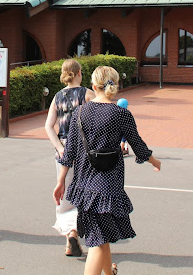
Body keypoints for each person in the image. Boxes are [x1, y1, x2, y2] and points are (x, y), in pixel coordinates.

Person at [54, 66, 161, 275]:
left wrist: (60, 181)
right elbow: (138, 147)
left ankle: (110, 273)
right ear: (115, 86)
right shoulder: (121, 114)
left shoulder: (80, 112)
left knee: (99, 237)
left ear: (94, 86)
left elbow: (70, 151)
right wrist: (155, 162)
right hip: (109, 187)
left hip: (84, 186)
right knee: (97, 241)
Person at [45, 59, 94, 257]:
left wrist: (59, 146)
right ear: (79, 73)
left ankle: (69, 237)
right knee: (86, 193)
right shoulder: (87, 94)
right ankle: (88, 238)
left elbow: (48, 126)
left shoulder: (57, 97)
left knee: (65, 195)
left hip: (63, 150)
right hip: (84, 151)